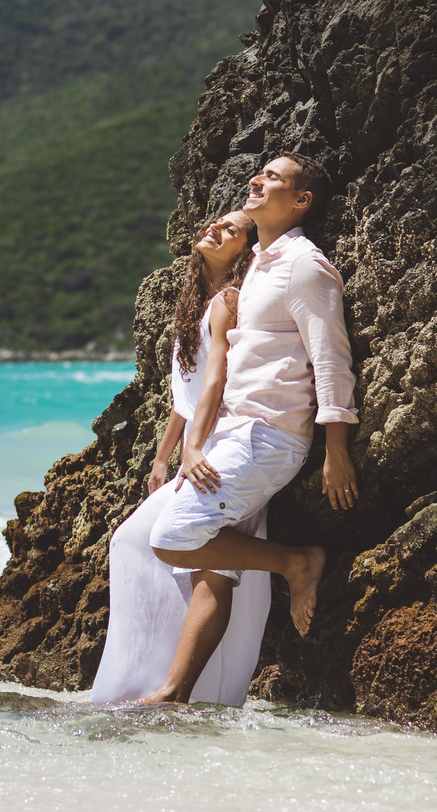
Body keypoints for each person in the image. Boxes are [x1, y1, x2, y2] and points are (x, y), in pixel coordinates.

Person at [140, 151, 358, 704]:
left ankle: (296, 562)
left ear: (301, 200)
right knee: (167, 542)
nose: (256, 180)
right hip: (236, 434)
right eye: (257, 173)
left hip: (271, 437)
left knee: (170, 538)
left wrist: (337, 448)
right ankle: (175, 686)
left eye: (273, 178)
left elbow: (331, 358)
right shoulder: (258, 266)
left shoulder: (304, 265)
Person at [90, 208, 267, 706]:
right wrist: (162, 457)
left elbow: (218, 385)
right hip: (197, 448)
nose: (214, 229)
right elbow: (184, 396)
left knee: (193, 560)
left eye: (230, 229)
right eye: (214, 223)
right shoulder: (197, 303)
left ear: (244, 251)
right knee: (159, 551)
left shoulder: (230, 301)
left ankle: (174, 690)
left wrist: (194, 450)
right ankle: (161, 685)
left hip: (226, 446)